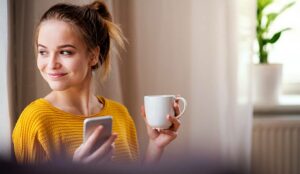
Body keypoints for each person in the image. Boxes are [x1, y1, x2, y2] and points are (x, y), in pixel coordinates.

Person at [12, 0, 181, 165]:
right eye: (43, 52)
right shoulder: (34, 121)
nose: (51, 64)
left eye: (65, 52)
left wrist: (155, 146)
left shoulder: (121, 115)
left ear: (92, 56)